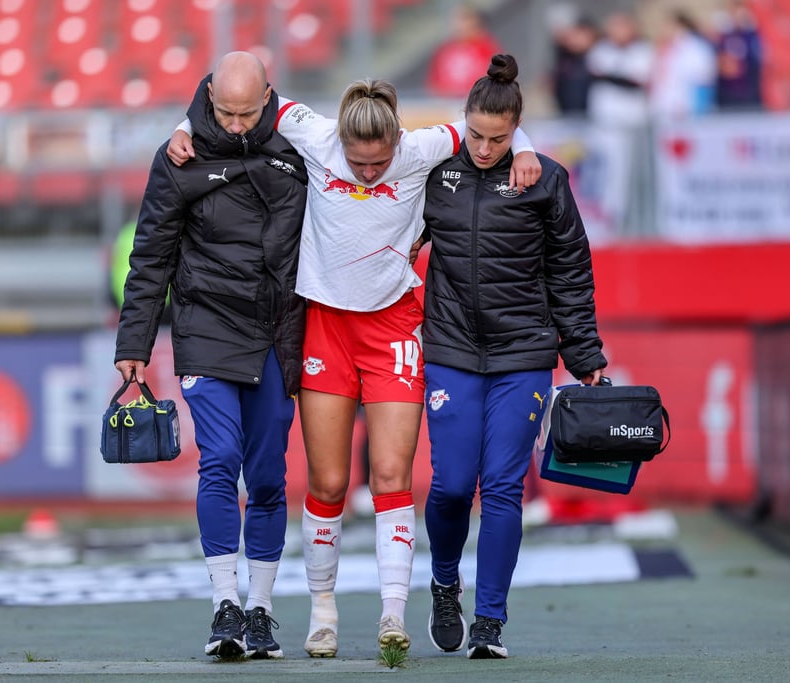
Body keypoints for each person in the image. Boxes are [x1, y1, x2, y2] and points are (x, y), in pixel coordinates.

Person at [167, 72, 542, 657]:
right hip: (326, 327)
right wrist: (186, 123)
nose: (368, 172)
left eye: (379, 163)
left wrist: (523, 148)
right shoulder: (315, 135)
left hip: (394, 326)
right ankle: (323, 614)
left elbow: (485, 126)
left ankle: (393, 616)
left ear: (397, 141)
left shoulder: (420, 147)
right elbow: (239, 94)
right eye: (357, 163)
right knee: (329, 482)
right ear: (338, 141)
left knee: (392, 477)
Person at [114, 51, 308, 660]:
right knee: (219, 459)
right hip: (205, 328)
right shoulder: (179, 155)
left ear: (270, 97)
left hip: (279, 331)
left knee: (270, 476)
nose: (235, 124)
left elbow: (375, 148)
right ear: (207, 98)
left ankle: (261, 609)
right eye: (224, 111)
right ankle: (225, 603)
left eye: (248, 112)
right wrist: (134, 345)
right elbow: (150, 257)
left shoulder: (301, 141)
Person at [419, 54, 608, 659]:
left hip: (524, 354)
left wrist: (584, 354)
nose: (483, 146)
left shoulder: (544, 178)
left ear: (518, 129)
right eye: (475, 134)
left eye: (499, 137)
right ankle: (444, 583)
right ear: (462, 122)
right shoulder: (434, 173)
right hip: (449, 348)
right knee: (450, 486)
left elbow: (571, 272)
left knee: (501, 488)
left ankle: (490, 623)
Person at [585, 10, 655, 128]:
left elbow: (638, 80)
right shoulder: (601, 49)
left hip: (634, 114)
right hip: (606, 115)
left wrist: (610, 76)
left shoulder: (643, 50)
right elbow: (595, 73)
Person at [425, 4, 503, 99]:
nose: (459, 25)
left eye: (465, 19)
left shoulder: (487, 48)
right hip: (448, 105)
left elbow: (498, 81)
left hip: (478, 103)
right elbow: (433, 85)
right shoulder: (445, 50)